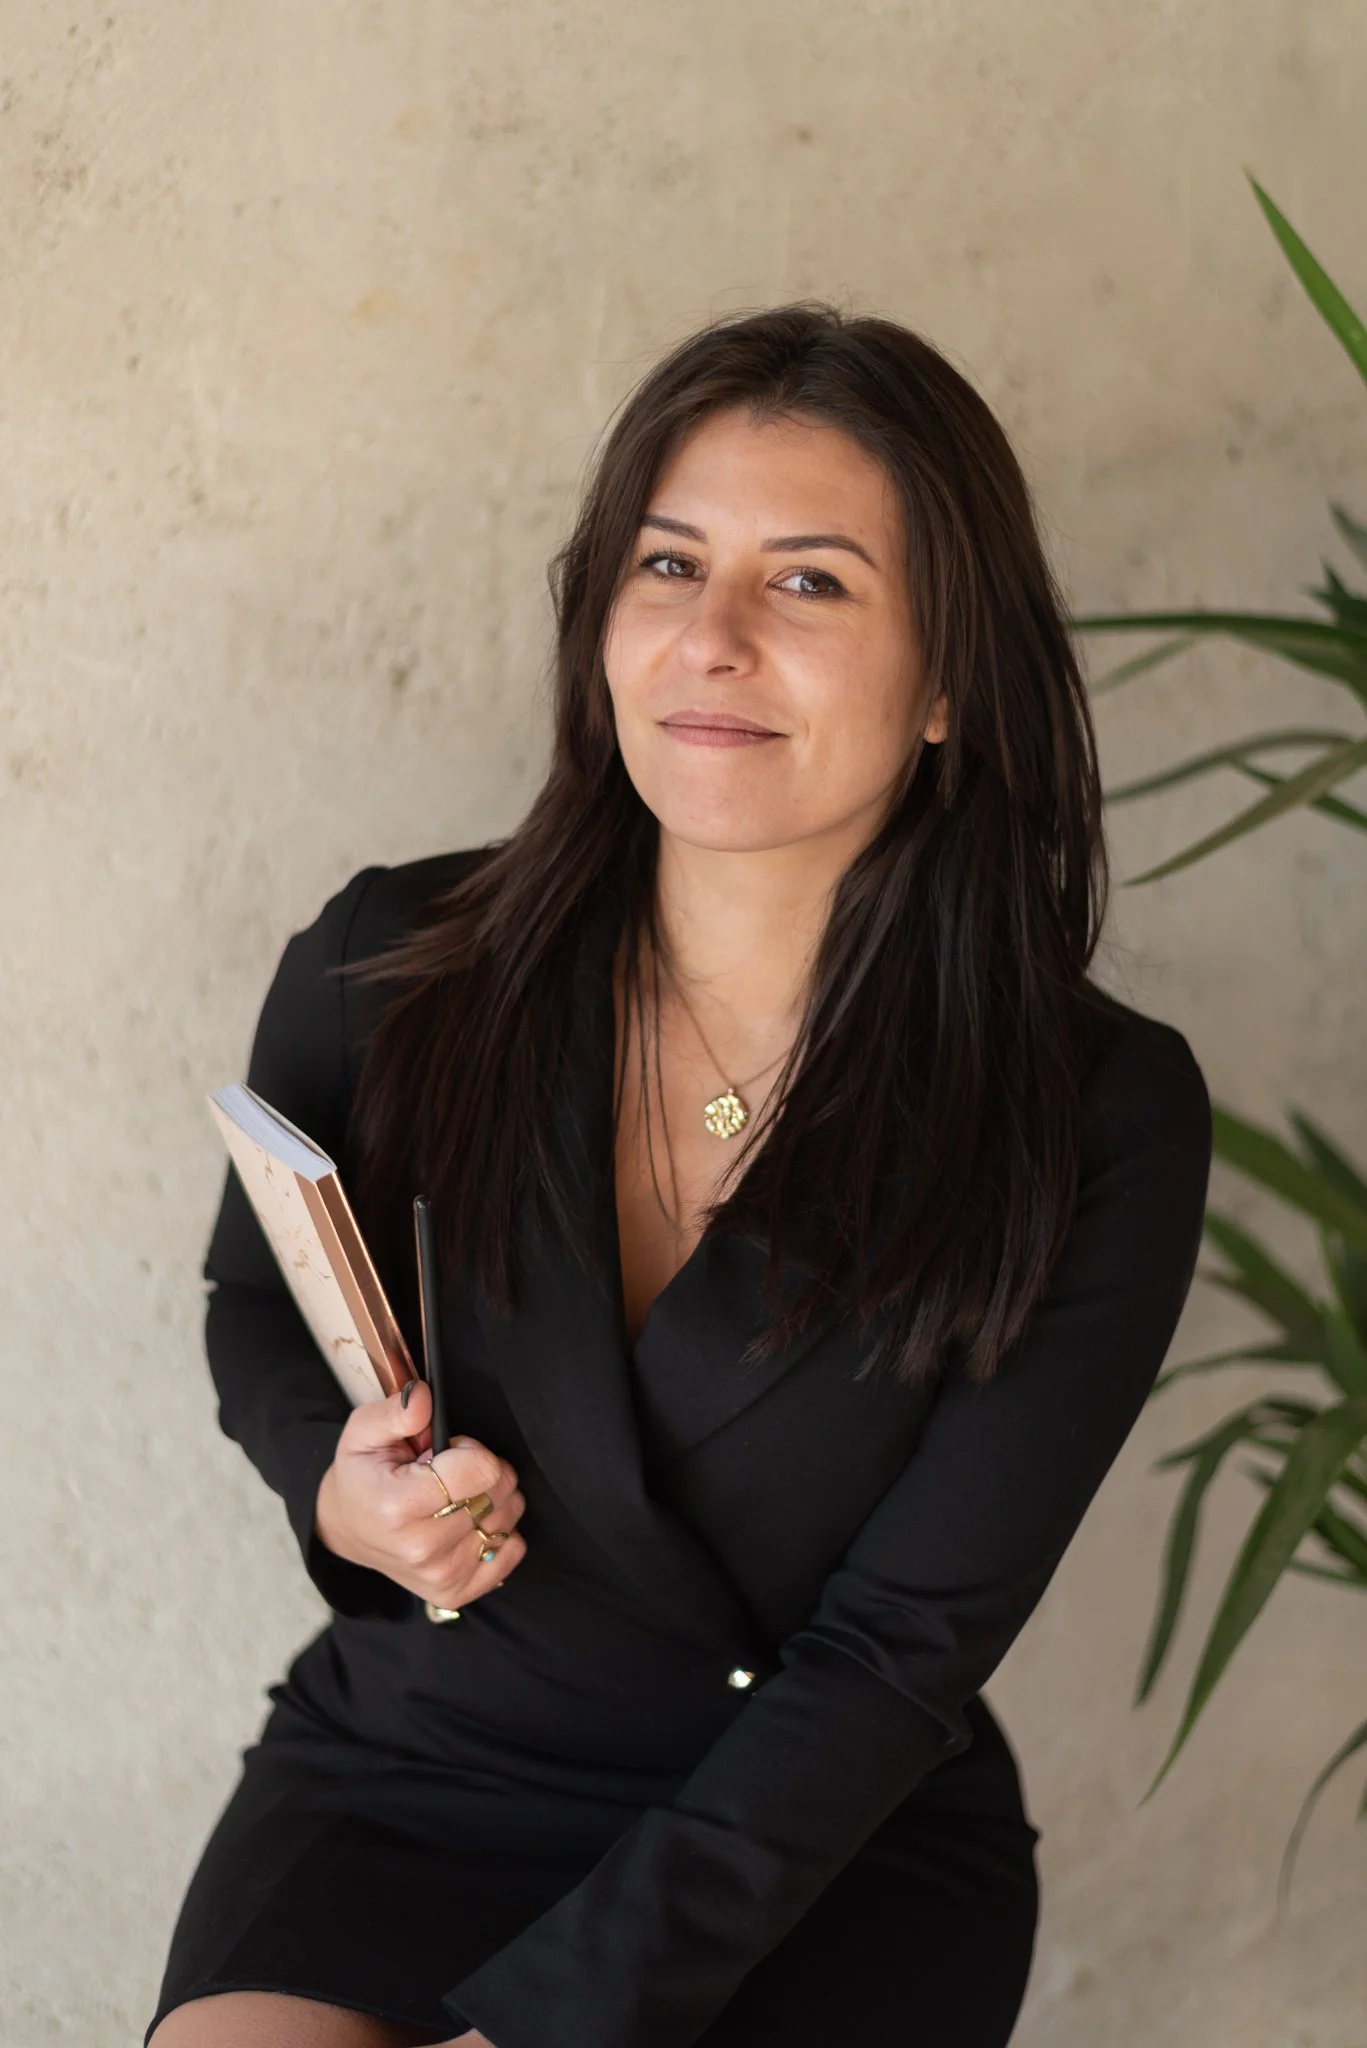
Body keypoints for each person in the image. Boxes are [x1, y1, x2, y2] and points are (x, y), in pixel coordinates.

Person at [146, 302, 1213, 2048]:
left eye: (807, 582)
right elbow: (252, 1299)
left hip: (810, 1839)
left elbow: (890, 1663)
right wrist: (336, 1496)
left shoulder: (1093, 1112)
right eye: (666, 564)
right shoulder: (388, 960)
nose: (710, 639)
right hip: (413, 1767)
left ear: (949, 678)